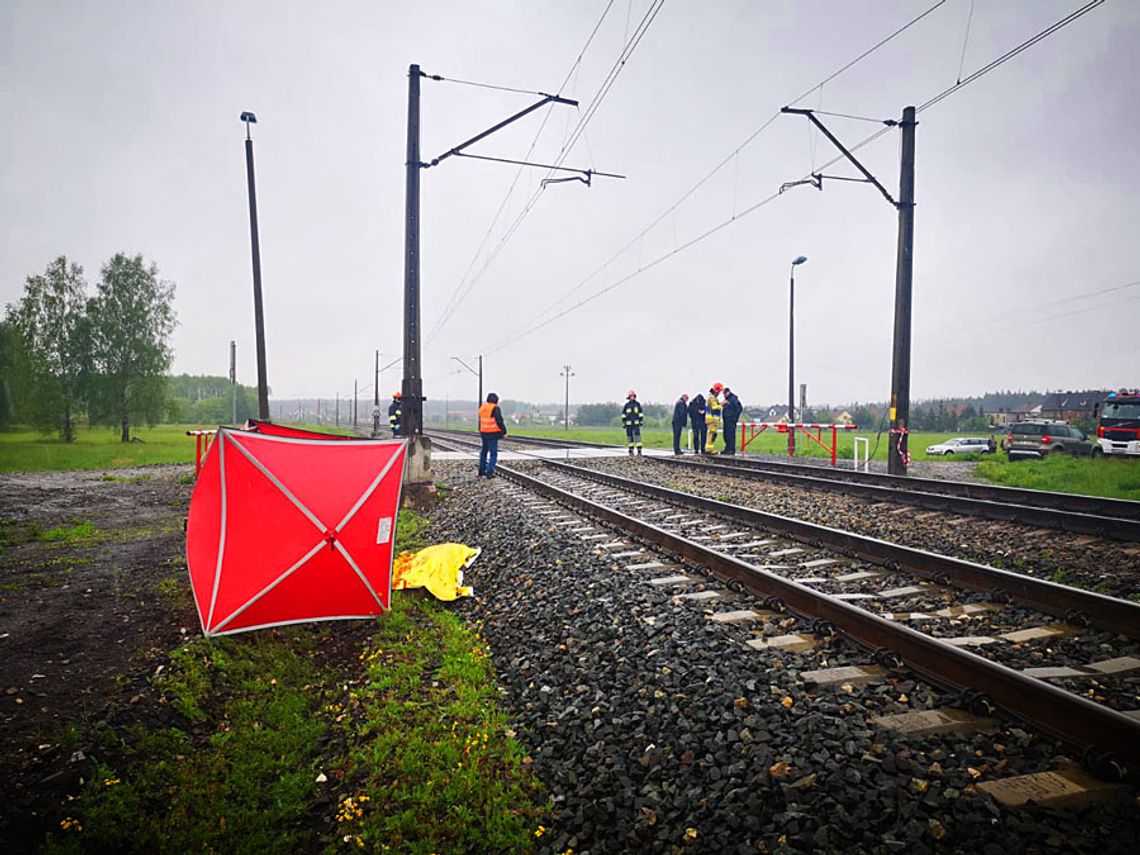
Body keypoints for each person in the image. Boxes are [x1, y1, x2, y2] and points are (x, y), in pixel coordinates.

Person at [478, 392, 507, 477]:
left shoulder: (483, 407)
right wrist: (504, 432)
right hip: (492, 434)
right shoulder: (495, 408)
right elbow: (499, 421)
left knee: (484, 452)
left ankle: (481, 470)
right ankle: (489, 472)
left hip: (483, 432)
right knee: (493, 454)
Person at [622, 389, 644, 456]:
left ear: (634, 396)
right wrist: (624, 422)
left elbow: (640, 413)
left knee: (637, 437)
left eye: (633, 396)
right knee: (629, 436)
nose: (632, 397)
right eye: (631, 396)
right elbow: (623, 415)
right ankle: (631, 449)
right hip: (628, 425)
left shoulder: (637, 404)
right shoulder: (626, 405)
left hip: (636, 424)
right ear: (629, 397)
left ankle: (639, 449)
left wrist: (641, 420)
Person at [721, 386, 743, 455]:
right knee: (726, 435)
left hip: (731, 421)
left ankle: (731, 449)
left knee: (731, 435)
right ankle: (727, 448)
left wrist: (734, 418)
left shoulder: (734, 399)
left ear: (728, 392)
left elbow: (739, 409)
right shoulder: (727, 400)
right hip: (726, 420)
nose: (724, 395)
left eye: (725, 393)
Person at [705, 384, 723, 453]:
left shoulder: (711, 397)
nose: (719, 393)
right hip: (712, 419)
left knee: (712, 433)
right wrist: (721, 405)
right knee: (712, 434)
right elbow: (714, 407)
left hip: (711, 419)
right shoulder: (712, 398)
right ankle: (709, 449)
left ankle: (709, 448)